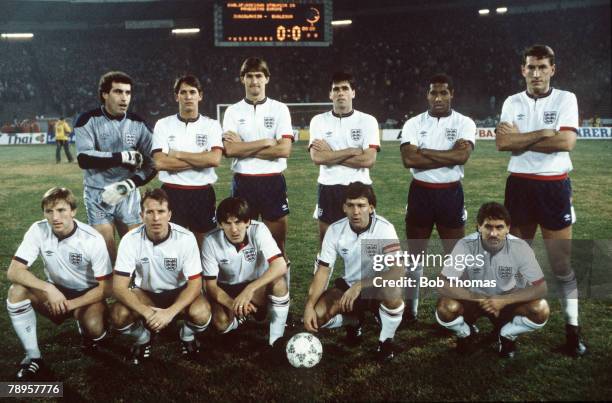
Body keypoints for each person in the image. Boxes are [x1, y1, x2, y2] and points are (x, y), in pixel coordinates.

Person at [495, 44, 585, 356]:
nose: (536, 73)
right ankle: (507, 334)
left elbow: (567, 141)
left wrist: (524, 139)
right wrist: (544, 133)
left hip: (554, 187)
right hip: (519, 186)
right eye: (531, 67)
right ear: (523, 70)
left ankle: (573, 332)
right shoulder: (512, 101)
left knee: (561, 263)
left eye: (542, 67)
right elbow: (503, 142)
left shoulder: (566, 99)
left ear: (552, 70)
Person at [6, 187, 112, 379]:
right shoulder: (38, 229)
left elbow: (106, 288)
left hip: (87, 294)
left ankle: (88, 328)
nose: (55, 217)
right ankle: (33, 357)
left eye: (61, 210)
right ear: (44, 213)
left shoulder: (91, 239)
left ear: (73, 211)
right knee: (16, 291)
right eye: (49, 211)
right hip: (54, 290)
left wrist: (70, 305)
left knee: (95, 329)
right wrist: (48, 288)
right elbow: (13, 271)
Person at [399, 73, 476, 321]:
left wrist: (425, 152)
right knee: (414, 257)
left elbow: (462, 157)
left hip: (450, 193)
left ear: (452, 94)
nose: (438, 97)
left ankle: (457, 312)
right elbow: (409, 159)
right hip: (420, 192)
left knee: (455, 257)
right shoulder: (413, 123)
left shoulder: (465, 123)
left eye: (444, 92)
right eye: (434, 92)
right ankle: (410, 313)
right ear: (427, 95)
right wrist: (447, 155)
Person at [303, 182, 405, 362]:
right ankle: (355, 321)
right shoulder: (335, 230)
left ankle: (385, 340)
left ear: (371, 207)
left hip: (376, 288)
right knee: (317, 317)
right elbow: (323, 271)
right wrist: (309, 306)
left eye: (361, 205)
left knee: (393, 291)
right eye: (350, 205)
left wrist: (360, 285)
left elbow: (398, 270)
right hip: (348, 287)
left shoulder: (384, 229)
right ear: (344, 207)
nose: (355, 211)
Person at [436, 202, 550, 358]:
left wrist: (504, 301)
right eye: (488, 226)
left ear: (508, 228)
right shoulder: (465, 245)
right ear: (479, 227)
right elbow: (442, 283)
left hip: (507, 302)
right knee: (445, 308)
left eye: (499, 227)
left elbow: (541, 288)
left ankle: (507, 335)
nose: (493, 233)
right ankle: (465, 334)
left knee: (540, 309)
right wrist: (477, 297)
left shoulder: (520, 247)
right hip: (475, 301)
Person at [110, 188, 211, 364]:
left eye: (161, 211)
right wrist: (147, 313)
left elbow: (195, 284)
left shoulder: (186, 238)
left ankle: (187, 336)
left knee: (201, 313)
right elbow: (119, 287)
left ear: (169, 214)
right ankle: (143, 338)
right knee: (118, 315)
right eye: (150, 212)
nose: (156, 218)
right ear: (141, 215)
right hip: (146, 294)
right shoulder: (130, 239)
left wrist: (170, 313)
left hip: (179, 291)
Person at [74, 71, 156, 263]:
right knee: (105, 251)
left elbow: (154, 164)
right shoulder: (87, 120)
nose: (124, 98)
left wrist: (129, 184)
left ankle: (135, 288)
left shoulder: (138, 124)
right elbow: (84, 159)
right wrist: (123, 156)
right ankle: (110, 290)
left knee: (136, 251)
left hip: (127, 193)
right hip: (98, 194)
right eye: (118, 92)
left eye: (128, 93)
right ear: (104, 94)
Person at [222, 57, 293, 262]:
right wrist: (265, 142)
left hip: (272, 181)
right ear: (242, 79)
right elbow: (229, 149)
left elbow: (284, 149)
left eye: (259, 76)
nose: (254, 81)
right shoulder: (233, 111)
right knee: (245, 245)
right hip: (243, 182)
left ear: (267, 79)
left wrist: (243, 146)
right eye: (250, 76)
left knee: (278, 247)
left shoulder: (279, 109)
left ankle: (281, 292)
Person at [202, 197, 289, 348]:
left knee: (279, 283)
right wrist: (233, 304)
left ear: (247, 221)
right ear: (220, 224)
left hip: (256, 287)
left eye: (238, 222)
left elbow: (280, 265)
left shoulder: (259, 229)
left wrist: (249, 290)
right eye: (228, 223)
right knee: (220, 324)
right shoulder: (210, 241)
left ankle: (276, 341)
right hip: (226, 290)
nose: (234, 229)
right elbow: (210, 286)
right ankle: (239, 318)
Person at [309, 71, 380, 245]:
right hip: (328, 188)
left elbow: (368, 161)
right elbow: (317, 157)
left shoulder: (368, 121)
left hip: (360, 187)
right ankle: (325, 270)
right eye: (336, 89)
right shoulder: (318, 120)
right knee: (326, 242)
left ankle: (362, 273)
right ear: (330, 94)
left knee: (363, 241)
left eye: (345, 88)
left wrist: (331, 154)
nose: (340, 93)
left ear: (353, 93)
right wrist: (350, 150)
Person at [152, 75, 223, 248]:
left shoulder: (212, 125)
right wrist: (201, 159)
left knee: (204, 247)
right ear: (176, 96)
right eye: (183, 92)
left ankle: (203, 276)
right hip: (172, 193)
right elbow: (160, 163)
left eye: (192, 92)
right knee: (172, 246)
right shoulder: (163, 124)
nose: (188, 96)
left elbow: (214, 159)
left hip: (202, 194)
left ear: (200, 96)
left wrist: (177, 154)